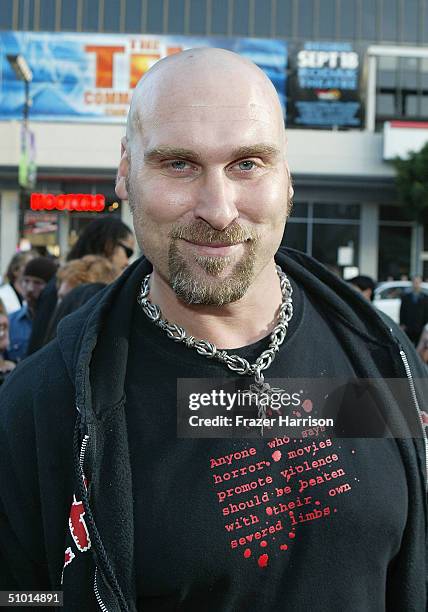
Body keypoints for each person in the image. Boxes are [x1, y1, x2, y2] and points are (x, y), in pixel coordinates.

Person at [0, 49, 426, 612]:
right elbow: (21, 596)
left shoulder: (374, 351)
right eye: (179, 164)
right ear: (126, 170)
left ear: (286, 177)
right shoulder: (43, 408)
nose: (219, 209)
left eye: (248, 163)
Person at [26, 217, 134, 356]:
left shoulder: (63, 282)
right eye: (127, 251)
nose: (127, 261)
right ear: (109, 244)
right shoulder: (71, 286)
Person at [6, 256, 57, 362]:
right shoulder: (11, 321)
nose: (29, 288)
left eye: (37, 283)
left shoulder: (58, 322)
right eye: (26, 281)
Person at [399, 275, 428, 345]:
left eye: (418, 282)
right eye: (415, 282)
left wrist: (425, 326)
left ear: (420, 283)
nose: (416, 284)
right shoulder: (406, 297)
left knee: (418, 347)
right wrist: (402, 324)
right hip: (408, 326)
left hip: (420, 327)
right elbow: (402, 311)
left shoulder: (425, 298)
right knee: (407, 346)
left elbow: (426, 312)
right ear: (412, 283)